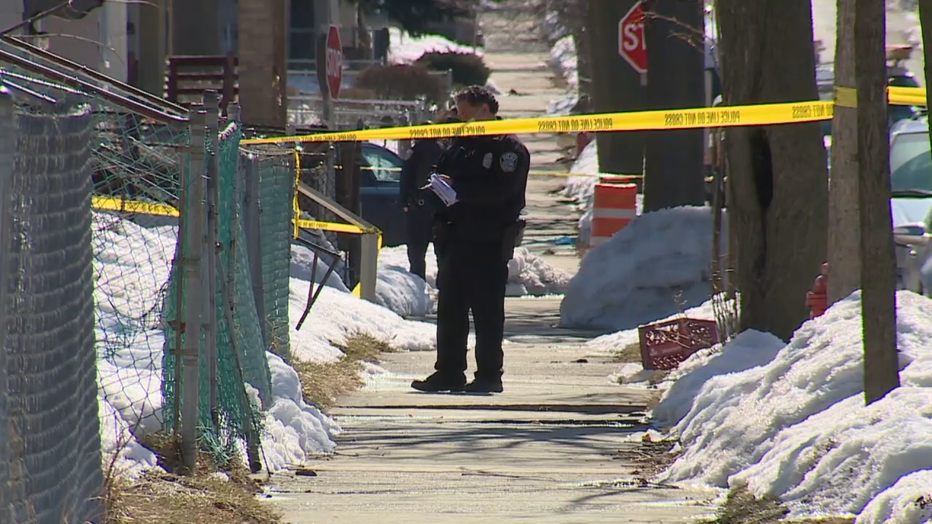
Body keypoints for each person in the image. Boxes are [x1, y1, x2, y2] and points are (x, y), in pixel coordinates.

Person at [411, 86, 530, 394]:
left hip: (488, 241)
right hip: (454, 240)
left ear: (485, 110)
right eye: (459, 114)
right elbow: (442, 179)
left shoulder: (508, 149)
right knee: (450, 310)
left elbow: (502, 192)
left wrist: (459, 189)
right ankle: (449, 372)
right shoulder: (460, 147)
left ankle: (490, 374)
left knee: (487, 312)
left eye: (465, 113)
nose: (460, 119)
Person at [399, 111, 456, 280]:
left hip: (419, 205)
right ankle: (444, 281)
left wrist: (405, 202)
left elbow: (406, 177)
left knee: (417, 250)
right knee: (442, 249)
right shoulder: (445, 150)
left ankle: (418, 280)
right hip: (441, 206)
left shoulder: (415, 151)